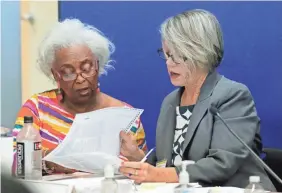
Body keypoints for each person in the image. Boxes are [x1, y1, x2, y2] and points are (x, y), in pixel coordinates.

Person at [119, 9, 276, 191]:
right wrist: (138, 158)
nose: (168, 63)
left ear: (200, 51)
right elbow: (169, 162)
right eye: (166, 54)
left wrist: (157, 174)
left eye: (176, 55)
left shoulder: (233, 95)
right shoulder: (170, 102)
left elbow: (222, 163)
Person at [12, 19, 147, 175]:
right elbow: (18, 167)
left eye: (86, 68)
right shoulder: (36, 108)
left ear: (98, 65)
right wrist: (50, 161)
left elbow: (146, 175)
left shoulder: (126, 117)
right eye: (68, 72)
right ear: (56, 75)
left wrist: (137, 158)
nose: (81, 79)